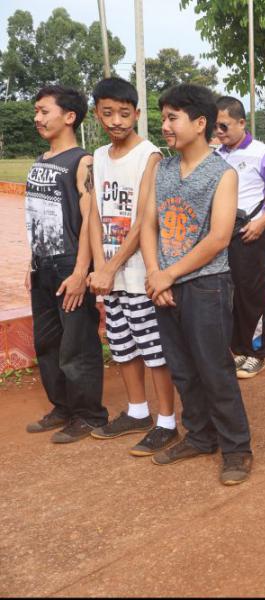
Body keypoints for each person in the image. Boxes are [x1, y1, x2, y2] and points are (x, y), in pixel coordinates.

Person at [140, 83, 253, 486]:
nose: (165, 126)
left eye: (173, 118)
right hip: (165, 286)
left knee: (214, 369)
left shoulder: (222, 174)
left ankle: (237, 448)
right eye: (164, 118)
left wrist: (169, 274)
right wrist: (155, 274)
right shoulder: (163, 169)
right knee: (183, 369)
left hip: (206, 286)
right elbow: (147, 224)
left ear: (200, 122)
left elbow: (219, 238)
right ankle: (201, 437)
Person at [85, 77, 178, 455]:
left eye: (124, 114)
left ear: (137, 114)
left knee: (153, 349)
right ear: (96, 113)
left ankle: (167, 421)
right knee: (122, 345)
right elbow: (94, 214)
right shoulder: (99, 156)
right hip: (110, 276)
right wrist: (100, 266)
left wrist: (112, 267)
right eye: (108, 113)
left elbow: (144, 220)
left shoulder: (149, 156)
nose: (116, 121)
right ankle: (137, 411)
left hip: (139, 273)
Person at [23, 85, 108, 443]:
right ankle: (62, 406)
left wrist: (80, 272)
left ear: (69, 116)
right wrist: (32, 262)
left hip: (70, 265)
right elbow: (39, 215)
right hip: (42, 266)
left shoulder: (82, 161)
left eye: (45, 111)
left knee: (78, 343)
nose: (38, 118)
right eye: (36, 111)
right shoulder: (41, 159)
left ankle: (89, 414)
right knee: (47, 342)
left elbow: (91, 219)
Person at [214, 96, 265, 380]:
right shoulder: (216, 155)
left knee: (253, 294)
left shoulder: (262, 153)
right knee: (229, 294)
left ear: (241, 123)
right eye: (215, 127)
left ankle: (256, 352)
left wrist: (261, 222)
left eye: (224, 126)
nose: (219, 132)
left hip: (249, 233)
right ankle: (239, 349)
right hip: (221, 235)